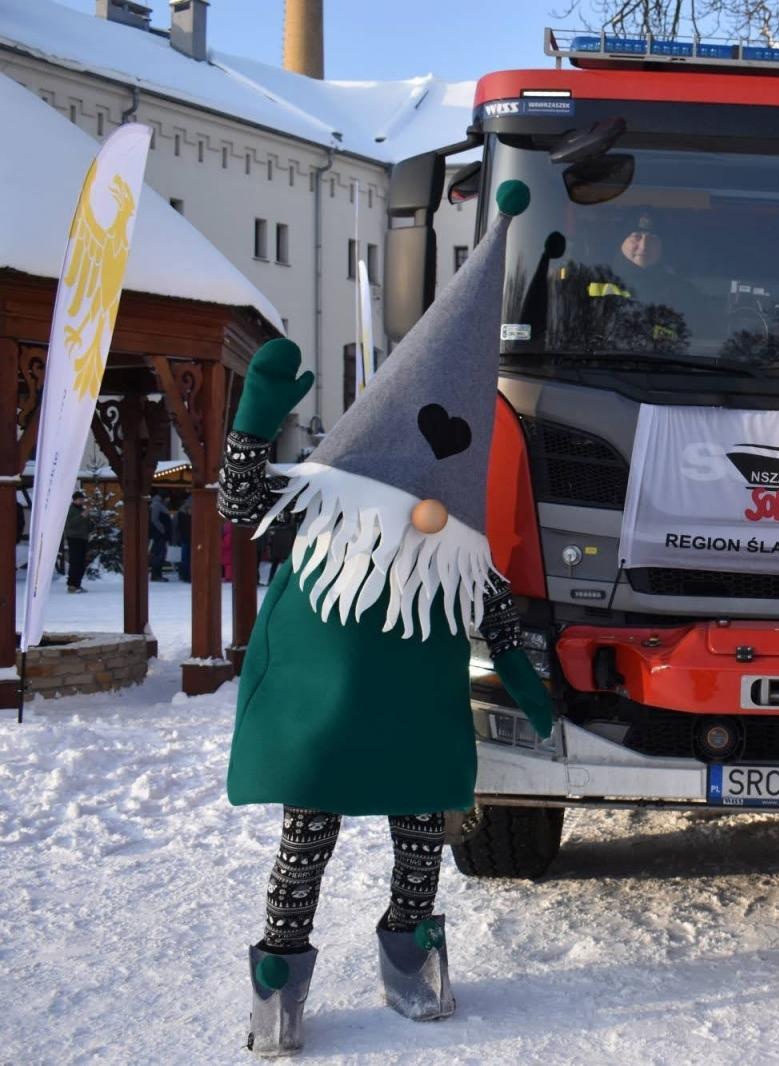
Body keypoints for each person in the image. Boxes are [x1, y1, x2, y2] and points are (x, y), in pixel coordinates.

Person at [219, 182, 553, 1057]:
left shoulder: (451, 556)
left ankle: (410, 945)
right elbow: (240, 503)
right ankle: (280, 972)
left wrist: (517, 666)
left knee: (419, 834)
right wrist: (254, 424)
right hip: (325, 711)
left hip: (412, 711)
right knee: (307, 838)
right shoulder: (325, 512)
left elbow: (491, 602)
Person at [64, 490, 90, 594]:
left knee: (81, 562)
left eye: (82, 499)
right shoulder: (70, 510)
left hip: (82, 538)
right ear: (74, 500)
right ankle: (71, 585)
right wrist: (82, 516)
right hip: (74, 538)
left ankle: (77, 584)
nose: (82, 501)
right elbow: (69, 524)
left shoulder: (81, 509)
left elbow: (85, 525)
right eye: (80, 499)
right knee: (75, 561)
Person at [149, 493, 173, 582]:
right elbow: (154, 519)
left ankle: (158, 574)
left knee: (161, 554)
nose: (169, 500)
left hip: (161, 535)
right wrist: (162, 529)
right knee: (159, 554)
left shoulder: (160, 505)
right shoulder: (156, 505)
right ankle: (156, 575)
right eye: (167, 498)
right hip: (159, 535)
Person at [175, 496, 193, 582]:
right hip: (187, 539)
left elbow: (177, 527)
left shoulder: (180, 513)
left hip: (185, 538)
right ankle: (186, 575)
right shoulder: (184, 515)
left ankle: (185, 575)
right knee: (186, 558)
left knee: (185, 558)